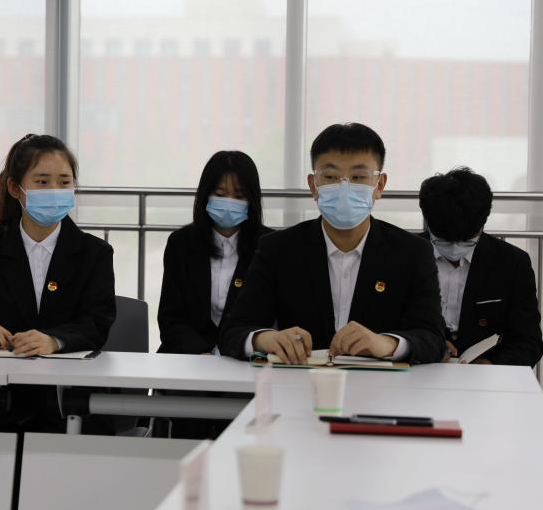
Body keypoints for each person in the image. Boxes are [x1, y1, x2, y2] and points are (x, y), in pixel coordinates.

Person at [218, 123, 446, 365]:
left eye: (358, 177)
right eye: (330, 177)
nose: (344, 187)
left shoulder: (412, 252)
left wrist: (387, 343)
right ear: (313, 186)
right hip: (298, 383)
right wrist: (265, 339)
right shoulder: (278, 249)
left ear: (379, 186)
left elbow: (432, 337)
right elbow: (233, 331)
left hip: (381, 386)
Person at [0, 134, 115, 431]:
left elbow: (96, 323)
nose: (55, 191)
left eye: (64, 182)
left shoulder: (95, 253)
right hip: (3, 399)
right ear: (15, 188)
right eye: (42, 182)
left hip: (69, 401)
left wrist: (53, 341)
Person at [419, 167, 542, 366]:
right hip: (418, 370)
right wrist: (422, 347)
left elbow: (529, 341)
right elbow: (383, 327)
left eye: (466, 241)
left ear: (483, 223)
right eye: (442, 241)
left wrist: (492, 365)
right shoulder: (404, 255)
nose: (454, 248)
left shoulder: (512, 263)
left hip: (488, 377)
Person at [158, 151, 272, 355]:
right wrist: (201, 353)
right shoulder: (181, 243)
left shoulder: (269, 246)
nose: (229, 202)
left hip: (246, 359)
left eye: (239, 195)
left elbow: (269, 317)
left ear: (252, 199)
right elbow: (170, 318)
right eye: (220, 194)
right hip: (188, 358)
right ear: (205, 196)